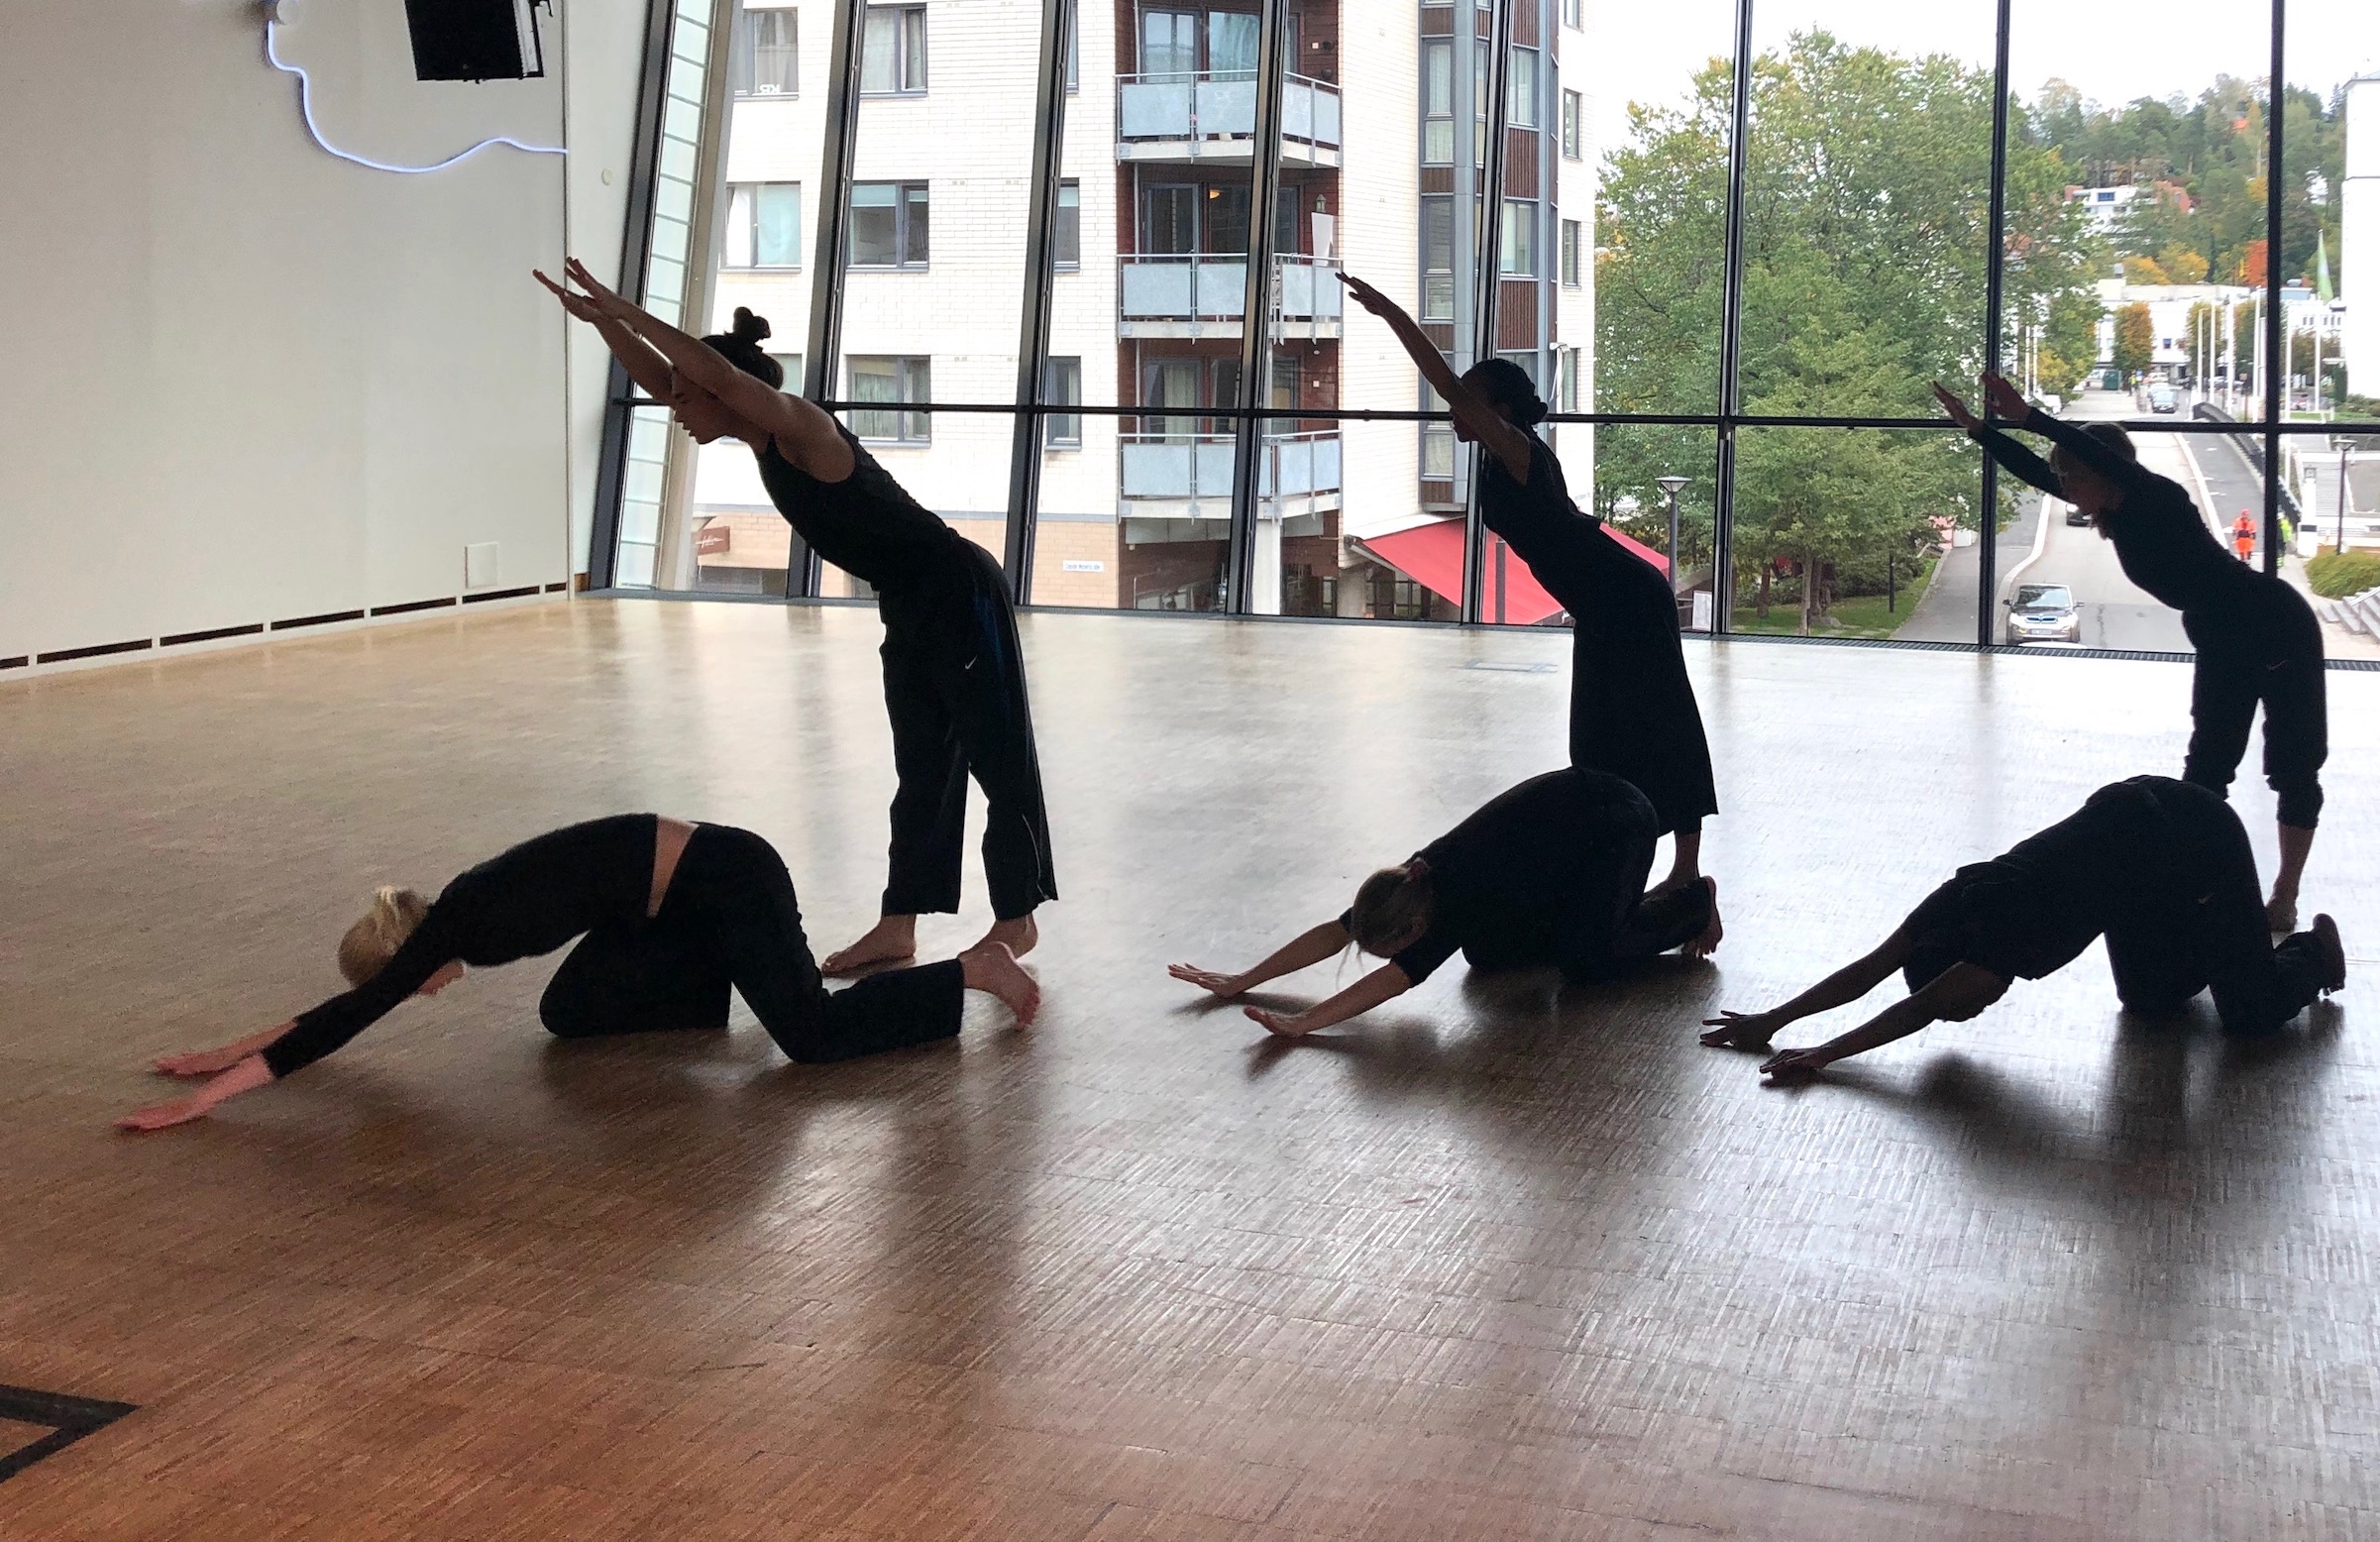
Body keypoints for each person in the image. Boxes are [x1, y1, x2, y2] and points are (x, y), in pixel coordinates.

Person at [540, 260, 1050, 977]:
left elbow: (714, 380)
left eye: (686, 395)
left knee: (998, 758)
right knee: (922, 769)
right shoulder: (757, 441)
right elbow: (677, 380)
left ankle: (1017, 921)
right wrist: (607, 326)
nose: (673, 407)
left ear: (726, 391)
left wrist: (627, 310)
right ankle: (898, 925)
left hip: (958, 589)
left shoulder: (802, 428)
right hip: (910, 602)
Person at [117, 813, 1036, 1132]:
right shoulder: (457, 915)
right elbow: (339, 1011)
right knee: (571, 1010)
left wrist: (210, 1098)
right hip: (668, 904)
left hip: (728, 879)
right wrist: (219, 1054)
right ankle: (737, 976)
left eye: (398, 983)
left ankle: (971, 971)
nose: (413, 997)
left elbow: (339, 1023)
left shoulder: (460, 929)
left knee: (810, 1037)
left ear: (404, 957)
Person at [1341, 269, 1719, 905]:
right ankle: (1621, 863)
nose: (1454, 407)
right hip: (1603, 604)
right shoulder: (1506, 457)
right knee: (1601, 740)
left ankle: (1683, 869)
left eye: (1469, 399)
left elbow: (1442, 381)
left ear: (1500, 411)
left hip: (1623, 596)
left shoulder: (1516, 450)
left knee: (1660, 723)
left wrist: (1391, 314)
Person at [1935, 371, 2329, 933]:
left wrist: (2031, 419)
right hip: (2221, 632)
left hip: (2274, 626)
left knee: (2293, 766)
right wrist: (1979, 430)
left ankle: (2284, 896)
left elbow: (2106, 463)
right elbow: (2036, 471)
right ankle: (2201, 889)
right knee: (2207, 768)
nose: (2063, 486)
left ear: (2101, 472)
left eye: (2072, 475)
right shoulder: (2113, 509)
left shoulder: (2158, 499)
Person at [1701, 775, 2343, 1085]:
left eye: (1966, 1004)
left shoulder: (2002, 939)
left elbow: (1912, 1010)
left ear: (1967, 972)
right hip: (2137, 853)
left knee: (2249, 1013)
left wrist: (1822, 1055)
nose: (1977, 1008)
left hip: (2196, 837)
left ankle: (2313, 952)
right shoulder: (1954, 902)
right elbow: (1870, 968)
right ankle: (2218, 940)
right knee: (2150, 1002)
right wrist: (1771, 1020)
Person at [1167, 767, 1718, 1041]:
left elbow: (1390, 984)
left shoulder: (1456, 898)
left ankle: (1693, 903)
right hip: (1566, 832)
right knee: (1486, 955)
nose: (1393, 958)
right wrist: (1243, 980)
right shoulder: (1408, 883)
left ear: (1415, 926)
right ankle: (1596, 918)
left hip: (1618, 822)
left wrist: (1306, 1022)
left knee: (1587, 962)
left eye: (1395, 949)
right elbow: (1335, 932)